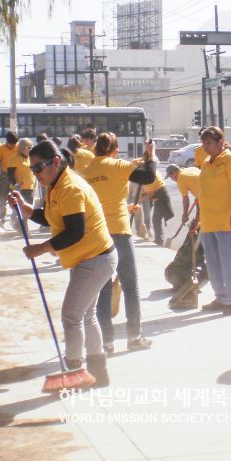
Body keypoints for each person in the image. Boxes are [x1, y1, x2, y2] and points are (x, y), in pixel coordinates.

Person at [8, 140, 118, 387]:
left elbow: (74, 232)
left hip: (96, 258)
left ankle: (76, 370)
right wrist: (25, 208)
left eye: (38, 168)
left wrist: (41, 248)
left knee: (71, 316)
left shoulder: (70, 188)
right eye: (32, 168)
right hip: (88, 258)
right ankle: (98, 373)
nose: (35, 173)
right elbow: (49, 215)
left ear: (56, 162)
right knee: (86, 316)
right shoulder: (55, 184)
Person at [82, 132, 157, 353]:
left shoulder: (86, 172)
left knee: (104, 289)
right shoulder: (118, 165)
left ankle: (106, 341)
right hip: (120, 234)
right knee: (130, 285)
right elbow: (148, 176)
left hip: (98, 235)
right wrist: (151, 156)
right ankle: (134, 336)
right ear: (114, 150)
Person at [194, 126, 231, 315]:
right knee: (213, 263)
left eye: (209, 143)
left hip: (228, 222)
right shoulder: (207, 162)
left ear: (220, 142)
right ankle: (222, 298)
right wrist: (198, 219)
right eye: (203, 143)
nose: (205, 147)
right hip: (209, 222)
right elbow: (203, 192)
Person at [8, 138, 36, 231]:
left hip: (30, 188)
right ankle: (23, 228)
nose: (31, 149)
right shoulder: (14, 158)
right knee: (21, 210)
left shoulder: (30, 158)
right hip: (20, 189)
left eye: (32, 147)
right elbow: (10, 173)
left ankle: (20, 226)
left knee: (28, 209)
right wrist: (15, 184)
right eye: (29, 147)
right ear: (22, 148)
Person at [141, 165, 173, 246]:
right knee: (156, 219)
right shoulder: (154, 172)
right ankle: (159, 239)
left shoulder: (150, 179)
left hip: (161, 198)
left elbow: (149, 194)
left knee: (156, 219)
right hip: (160, 196)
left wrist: (138, 201)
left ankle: (159, 240)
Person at [0, 132, 18, 224]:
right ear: (7, 141)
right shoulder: (2, 148)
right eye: (10, 143)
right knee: (2, 196)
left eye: (14, 144)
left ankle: (15, 216)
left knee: (15, 196)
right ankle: (1, 216)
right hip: (4, 175)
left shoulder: (18, 147)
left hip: (15, 175)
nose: (12, 146)